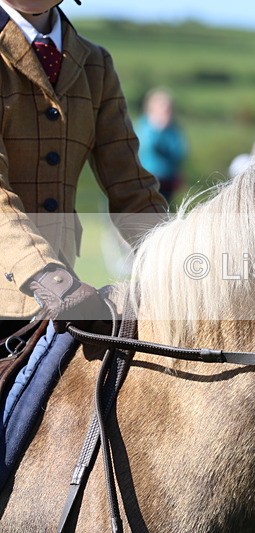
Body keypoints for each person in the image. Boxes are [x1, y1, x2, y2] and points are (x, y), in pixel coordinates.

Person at [0, 0, 168, 340]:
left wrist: (181, 267)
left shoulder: (96, 64)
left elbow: (132, 188)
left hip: (58, 305)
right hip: (34, 286)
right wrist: (45, 275)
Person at [135, 88, 188, 204]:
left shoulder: (174, 130)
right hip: (146, 179)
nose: (165, 113)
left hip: (167, 180)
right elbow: (146, 147)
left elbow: (180, 152)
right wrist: (158, 131)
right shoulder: (144, 127)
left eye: (168, 110)